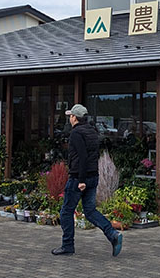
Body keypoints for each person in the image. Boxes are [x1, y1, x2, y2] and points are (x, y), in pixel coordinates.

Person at [52, 104, 123, 257]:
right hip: (93, 176)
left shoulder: (77, 133)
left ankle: (67, 246)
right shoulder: (92, 131)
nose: (69, 118)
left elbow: (82, 156)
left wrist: (81, 180)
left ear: (74, 117)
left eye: (70, 116)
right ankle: (113, 234)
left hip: (79, 177)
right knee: (90, 211)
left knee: (66, 211)